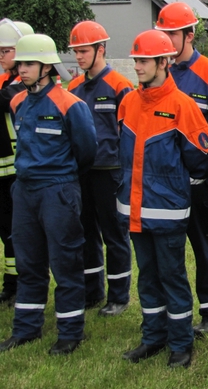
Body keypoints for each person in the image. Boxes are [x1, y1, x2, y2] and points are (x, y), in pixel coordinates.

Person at [117, 30, 208, 368]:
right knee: (147, 276)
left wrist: (173, 184)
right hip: (134, 211)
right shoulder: (128, 103)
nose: (137, 67)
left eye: (144, 61)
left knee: (172, 277)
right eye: (136, 60)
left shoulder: (182, 106)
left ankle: (181, 344)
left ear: (163, 62)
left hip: (168, 212)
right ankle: (153, 337)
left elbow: (203, 157)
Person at [0, 34, 97, 355]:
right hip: (25, 191)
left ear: (47, 67)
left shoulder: (71, 105)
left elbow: (86, 151)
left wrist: (62, 179)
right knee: (28, 262)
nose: (21, 69)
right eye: (20, 64)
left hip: (58, 190)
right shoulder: (17, 102)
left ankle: (70, 332)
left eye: (29, 64)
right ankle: (26, 329)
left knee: (66, 262)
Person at [155, 1, 208, 336]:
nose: (167, 40)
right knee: (166, 252)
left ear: (189, 35)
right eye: (163, 33)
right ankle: (171, 312)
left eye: (172, 34)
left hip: (200, 182)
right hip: (165, 183)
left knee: (206, 248)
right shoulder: (159, 72)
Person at [68, 21, 134, 316]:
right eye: (76, 51)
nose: (78, 57)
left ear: (101, 49)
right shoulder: (73, 87)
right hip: (81, 171)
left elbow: (130, 132)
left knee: (114, 233)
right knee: (85, 232)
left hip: (111, 172)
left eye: (83, 51)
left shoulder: (120, 85)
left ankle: (119, 296)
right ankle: (92, 292)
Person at [0, 19, 33, 306]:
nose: (1, 56)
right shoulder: (7, 82)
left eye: (5, 51)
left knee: (16, 232)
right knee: (6, 231)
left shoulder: (22, 86)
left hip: (15, 171)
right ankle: (11, 284)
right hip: (5, 169)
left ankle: (20, 284)